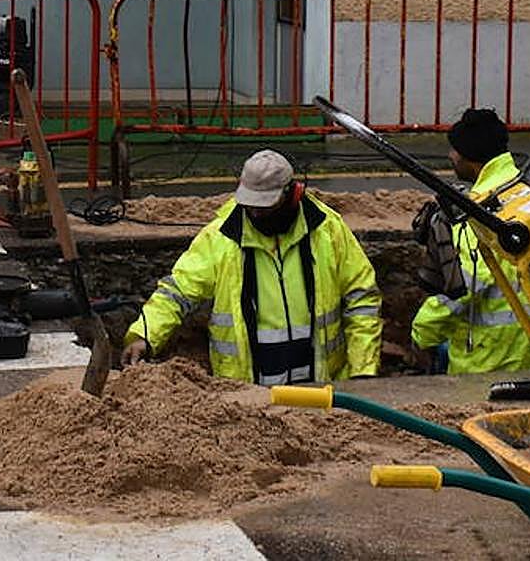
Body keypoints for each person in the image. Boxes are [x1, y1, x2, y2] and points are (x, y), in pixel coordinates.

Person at [122, 149, 382, 385]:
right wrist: (144, 334)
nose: (256, 214)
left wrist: (363, 370)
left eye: (265, 207)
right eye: (251, 206)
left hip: (322, 387)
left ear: (293, 194)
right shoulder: (221, 238)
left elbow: (362, 297)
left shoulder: (328, 230)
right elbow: (177, 291)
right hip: (247, 395)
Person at [410, 108, 530, 373]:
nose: (451, 156)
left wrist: (422, 332)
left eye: (455, 150)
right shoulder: (529, 194)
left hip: (491, 359)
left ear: (471, 159)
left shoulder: (478, 212)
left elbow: (466, 286)